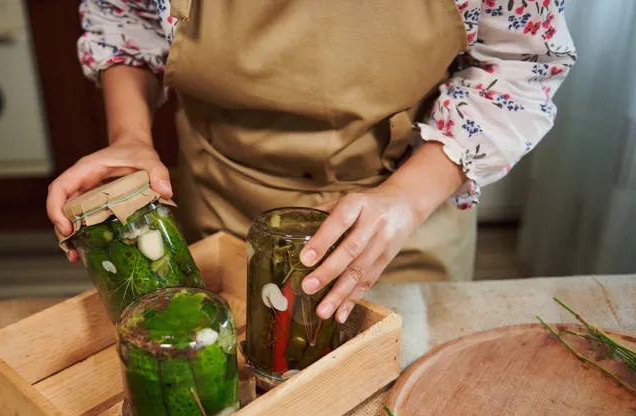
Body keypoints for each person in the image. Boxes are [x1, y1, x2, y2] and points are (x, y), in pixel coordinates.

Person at [47, 0, 576, 325]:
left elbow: (519, 65)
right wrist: (130, 137)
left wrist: (407, 198)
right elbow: (128, 20)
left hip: (398, 213)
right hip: (220, 199)